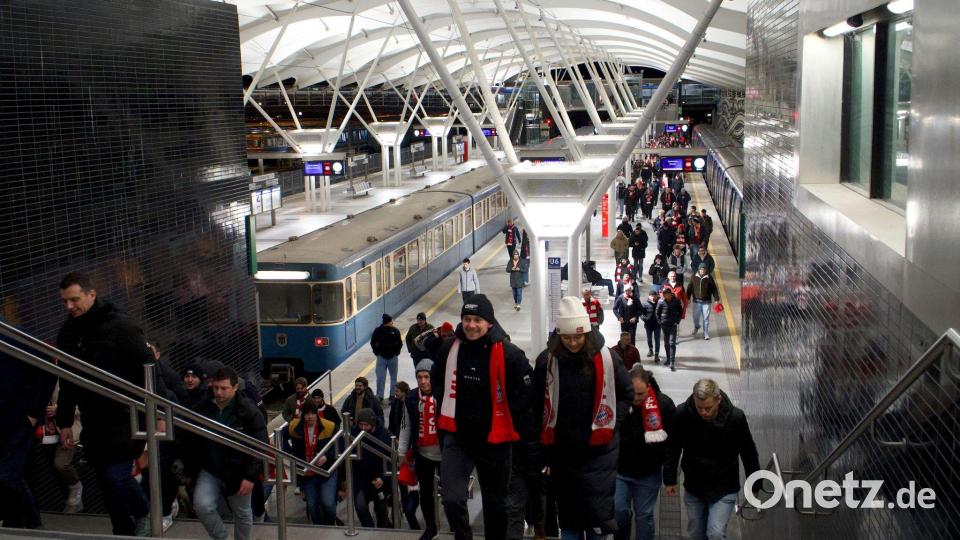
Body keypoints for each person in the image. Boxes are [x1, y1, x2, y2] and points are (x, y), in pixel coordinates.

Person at [55, 272, 157, 536]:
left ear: (91, 294)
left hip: (125, 416)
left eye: (74, 300)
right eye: (64, 301)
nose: (69, 306)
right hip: (93, 418)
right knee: (105, 481)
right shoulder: (68, 333)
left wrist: (156, 411)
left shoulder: (120, 326)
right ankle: (122, 530)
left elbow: (148, 368)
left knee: (116, 475)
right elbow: (67, 381)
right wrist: (64, 422)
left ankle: (144, 511)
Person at [430, 294, 534, 540]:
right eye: (467, 319)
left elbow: (529, 389)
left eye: (477, 319)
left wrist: (510, 414)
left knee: (496, 505)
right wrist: (445, 401)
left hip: (495, 441)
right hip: (458, 437)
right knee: (452, 497)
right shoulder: (450, 348)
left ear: (489, 323)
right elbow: (436, 378)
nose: (471, 325)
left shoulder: (509, 353)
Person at [534, 297, 632, 539]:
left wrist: (611, 423)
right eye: (566, 338)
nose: (573, 342)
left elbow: (626, 393)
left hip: (599, 452)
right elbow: (536, 405)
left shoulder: (608, 359)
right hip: (563, 453)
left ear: (587, 333)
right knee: (569, 522)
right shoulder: (546, 362)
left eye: (578, 337)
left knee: (597, 520)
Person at [664, 380, 759, 540]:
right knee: (696, 532)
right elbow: (673, 446)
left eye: (708, 408)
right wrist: (669, 478)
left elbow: (748, 451)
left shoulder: (735, 418)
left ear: (718, 399)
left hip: (724, 485)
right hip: (695, 484)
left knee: (715, 533)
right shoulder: (683, 414)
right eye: (699, 408)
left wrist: (755, 483)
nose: (703, 412)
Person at [190, 367, 268, 540]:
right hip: (211, 468)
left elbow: (261, 444)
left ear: (235, 388)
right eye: (216, 387)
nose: (218, 392)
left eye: (224, 388)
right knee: (202, 505)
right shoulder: (203, 406)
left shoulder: (248, 410)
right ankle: (220, 537)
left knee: (242, 512)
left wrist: (251, 476)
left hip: (239, 470)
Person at [615, 369, 675, 540]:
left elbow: (673, 442)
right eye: (632, 392)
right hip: (621, 471)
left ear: (649, 387)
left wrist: (669, 475)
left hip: (649, 473)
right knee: (619, 512)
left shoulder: (663, 405)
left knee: (644, 515)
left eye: (640, 393)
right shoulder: (620, 403)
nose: (636, 398)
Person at [0, 347, 56, 530]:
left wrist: (33, 413)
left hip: (17, 422)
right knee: (11, 474)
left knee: (7, 474)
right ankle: (28, 519)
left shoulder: (12, 340)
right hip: (12, 420)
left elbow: (47, 368)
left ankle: (18, 521)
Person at [399, 360, 442, 540]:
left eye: (426, 377)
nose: (423, 381)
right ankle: (431, 527)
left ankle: (457, 526)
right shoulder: (410, 399)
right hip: (423, 452)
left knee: (452, 494)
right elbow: (405, 426)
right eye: (419, 377)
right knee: (425, 493)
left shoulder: (443, 394)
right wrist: (401, 451)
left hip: (445, 453)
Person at [288, 401, 337, 525]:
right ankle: (320, 527)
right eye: (307, 414)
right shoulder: (294, 427)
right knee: (311, 505)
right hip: (307, 473)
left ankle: (331, 525)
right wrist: (290, 453)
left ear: (317, 414)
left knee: (328, 503)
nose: (309, 417)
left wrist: (327, 457)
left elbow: (339, 446)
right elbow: (281, 438)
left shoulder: (329, 426)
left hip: (326, 472)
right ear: (302, 415)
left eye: (312, 414)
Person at [348, 408, 392, 528]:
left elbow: (392, 460)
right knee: (360, 506)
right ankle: (368, 528)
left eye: (366, 425)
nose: (363, 428)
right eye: (360, 424)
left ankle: (383, 530)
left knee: (381, 509)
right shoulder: (354, 433)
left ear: (372, 424)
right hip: (361, 479)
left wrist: (383, 478)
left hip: (379, 479)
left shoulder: (385, 435)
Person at [371, 314, 402, 402]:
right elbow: (373, 342)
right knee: (381, 377)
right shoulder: (378, 331)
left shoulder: (395, 331)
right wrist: (377, 353)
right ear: (387, 322)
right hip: (382, 357)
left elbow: (399, 343)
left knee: (393, 378)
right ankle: (380, 395)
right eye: (391, 321)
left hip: (392, 357)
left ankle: (392, 395)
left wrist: (397, 353)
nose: (392, 323)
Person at [686, 265, 720, 340]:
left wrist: (716, 299)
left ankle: (706, 333)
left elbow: (714, 289)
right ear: (698, 269)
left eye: (704, 269)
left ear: (706, 270)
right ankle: (697, 326)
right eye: (701, 269)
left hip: (706, 302)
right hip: (696, 301)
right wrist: (687, 298)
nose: (702, 271)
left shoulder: (709, 277)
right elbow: (689, 287)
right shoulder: (694, 276)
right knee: (695, 317)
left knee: (706, 318)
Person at [655, 289, 683, 372]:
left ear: (670, 294)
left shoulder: (676, 301)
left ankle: (672, 362)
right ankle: (668, 359)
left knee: (672, 343)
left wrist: (677, 321)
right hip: (664, 325)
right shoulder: (661, 302)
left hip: (673, 325)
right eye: (664, 295)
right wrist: (660, 323)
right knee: (666, 343)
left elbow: (680, 311)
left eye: (667, 294)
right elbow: (657, 313)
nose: (666, 296)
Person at [639, 291, 661, 364]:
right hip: (648, 325)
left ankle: (656, 354)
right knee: (649, 338)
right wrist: (645, 319)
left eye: (654, 296)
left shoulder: (659, 303)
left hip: (657, 325)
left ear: (657, 296)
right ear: (649, 296)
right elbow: (641, 313)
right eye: (651, 296)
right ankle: (650, 349)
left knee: (657, 340)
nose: (653, 297)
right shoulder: (645, 304)